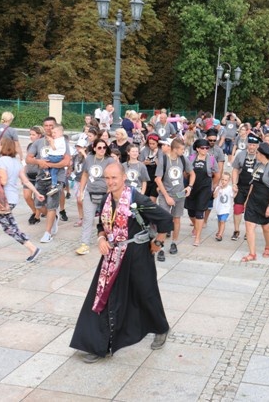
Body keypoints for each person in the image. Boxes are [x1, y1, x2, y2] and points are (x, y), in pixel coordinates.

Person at [70, 162, 173, 363]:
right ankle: (100, 344)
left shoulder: (136, 198)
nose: (110, 182)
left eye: (114, 177)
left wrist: (159, 241)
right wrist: (100, 239)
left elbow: (165, 218)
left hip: (136, 254)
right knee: (104, 296)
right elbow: (101, 225)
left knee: (146, 291)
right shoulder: (106, 200)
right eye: (107, 178)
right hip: (112, 255)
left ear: (123, 177)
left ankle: (161, 328)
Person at [0, 139, 42, 262]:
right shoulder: (16, 162)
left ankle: (32, 248)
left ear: (4, 147)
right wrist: (36, 192)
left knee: (10, 227)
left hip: (2, 199)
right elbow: (26, 180)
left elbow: (3, 181)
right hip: (11, 198)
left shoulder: (1, 161)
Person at [26, 117, 71, 243]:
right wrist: (38, 161)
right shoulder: (38, 142)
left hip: (57, 177)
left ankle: (48, 232)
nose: (49, 128)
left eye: (51, 125)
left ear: (55, 127)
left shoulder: (62, 142)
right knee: (38, 205)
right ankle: (54, 218)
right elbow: (28, 159)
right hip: (41, 177)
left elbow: (66, 161)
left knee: (51, 205)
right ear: (43, 127)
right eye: (46, 125)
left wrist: (51, 165)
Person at [155, 138, 194, 260]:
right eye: (182, 149)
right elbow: (157, 179)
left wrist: (190, 187)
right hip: (166, 194)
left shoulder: (183, 159)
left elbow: (192, 173)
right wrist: (166, 196)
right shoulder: (164, 160)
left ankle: (174, 243)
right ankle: (160, 247)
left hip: (180, 194)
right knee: (164, 220)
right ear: (175, 149)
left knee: (177, 219)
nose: (184, 151)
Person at [76, 139, 116, 255]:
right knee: (88, 218)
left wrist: (109, 193)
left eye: (104, 147)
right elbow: (85, 174)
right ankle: (84, 244)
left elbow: (112, 177)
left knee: (107, 219)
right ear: (94, 148)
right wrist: (81, 191)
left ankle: (110, 241)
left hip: (105, 193)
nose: (102, 150)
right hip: (90, 191)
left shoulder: (110, 160)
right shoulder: (89, 158)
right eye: (99, 147)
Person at [241, 142, 269, 261]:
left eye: (257, 152)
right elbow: (253, 184)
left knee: (266, 227)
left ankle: (267, 247)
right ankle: (252, 254)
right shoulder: (257, 165)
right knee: (249, 225)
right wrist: (247, 200)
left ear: (263, 154)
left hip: (265, 200)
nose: (255, 153)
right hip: (253, 199)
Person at [186, 138, 218, 246]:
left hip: (205, 187)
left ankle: (198, 237)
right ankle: (196, 226)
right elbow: (186, 173)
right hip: (192, 187)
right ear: (197, 149)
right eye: (202, 148)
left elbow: (217, 175)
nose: (205, 150)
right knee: (191, 211)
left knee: (200, 211)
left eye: (207, 148)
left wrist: (213, 187)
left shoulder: (211, 159)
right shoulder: (190, 158)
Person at [231, 133, 260, 241]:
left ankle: (249, 232)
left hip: (254, 188)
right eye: (250, 144)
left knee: (251, 210)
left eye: (254, 145)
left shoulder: (260, 156)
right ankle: (236, 230)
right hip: (241, 186)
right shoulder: (241, 154)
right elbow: (235, 169)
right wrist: (234, 183)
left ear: (257, 146)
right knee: (237, 208)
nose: (251, 147)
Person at [43, 124, 67, 197]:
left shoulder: (60, 140)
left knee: (43, 161)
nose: (53, 134)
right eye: (52, 133)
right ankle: (54, 185)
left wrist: (51, 141)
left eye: (55, 133)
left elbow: (54, 148)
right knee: (54, 172)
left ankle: (47, 173)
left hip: (55, 157)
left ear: (61, 133)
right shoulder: (58, 139)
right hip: (55, 157)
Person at [213, 172, 234, 241]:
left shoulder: (230, 189)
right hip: (219, 208)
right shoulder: (218, 188)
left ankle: (220, 235)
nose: (223, 181)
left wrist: (236, 192)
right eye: (222, 179)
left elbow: (233, 196)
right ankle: (219, 231)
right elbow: (214, 196)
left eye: (225, 180)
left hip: (226, 208)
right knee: (219, 221)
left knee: (222, 221)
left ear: (228, 181)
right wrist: (219, 189)